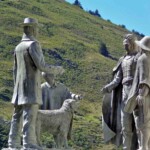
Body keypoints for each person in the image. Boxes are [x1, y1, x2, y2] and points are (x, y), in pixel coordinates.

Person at [8, 17, 64, 150]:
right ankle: (29, 143)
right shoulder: (33, 44)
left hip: (19, 88)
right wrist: (57, 69)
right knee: (30, 115)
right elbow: (41, 65)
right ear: (32, 28)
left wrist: (16, 87)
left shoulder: (18, 47)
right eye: (36, 28)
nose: (37, 31)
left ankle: (12, 143)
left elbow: (15, 70)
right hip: (31, 87)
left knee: (17, 116)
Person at [101, 34, 139, 150]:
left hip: (137, 94)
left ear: (132, 43)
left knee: (139, 125)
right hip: (124, 95)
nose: (125, 47)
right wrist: (108, 87)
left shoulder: (139, 58)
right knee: (125, 125)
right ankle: (126, 147)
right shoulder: (122, 60)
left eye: (127, 44)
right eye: (124, 45)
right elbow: (117, 79)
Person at [125, 36, 150, 150]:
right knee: (144, 122)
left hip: (142, 95)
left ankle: (143, 146)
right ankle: (143, 145)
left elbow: (144, 78)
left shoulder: (143, 59)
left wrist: (141, 93)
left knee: (142, 122)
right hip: (146, 95)